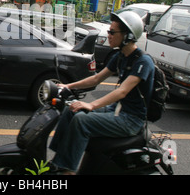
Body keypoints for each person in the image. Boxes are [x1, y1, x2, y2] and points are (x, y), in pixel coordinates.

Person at [49, 11, 155, 175]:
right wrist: (67, 86)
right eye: (109, 31)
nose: (109, 35)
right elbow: (96, 79)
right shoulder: (121, 56)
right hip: (117, 110)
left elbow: (122, 91)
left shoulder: (143, 61)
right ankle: (58, 161)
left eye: (112, 32)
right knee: (71, 109)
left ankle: (67, 170)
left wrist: (90, 105)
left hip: (131, 119)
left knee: (81, 120)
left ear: (127, 35)